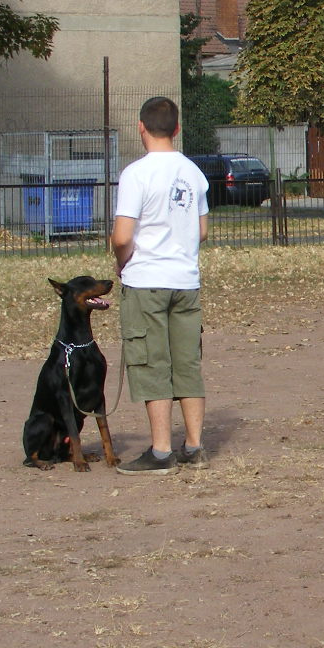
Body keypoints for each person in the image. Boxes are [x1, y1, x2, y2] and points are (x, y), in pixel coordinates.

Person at [110, 96, 210, 474]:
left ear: (141, 127)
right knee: (186, 361)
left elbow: (122, 236)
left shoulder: (137, 173)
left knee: (152, 361)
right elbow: (200, 231)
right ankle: (195, 446)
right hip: (185, 282)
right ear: (177, 129)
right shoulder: (193, 172)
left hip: (146, 282)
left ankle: (162, 451)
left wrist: (123, 263)